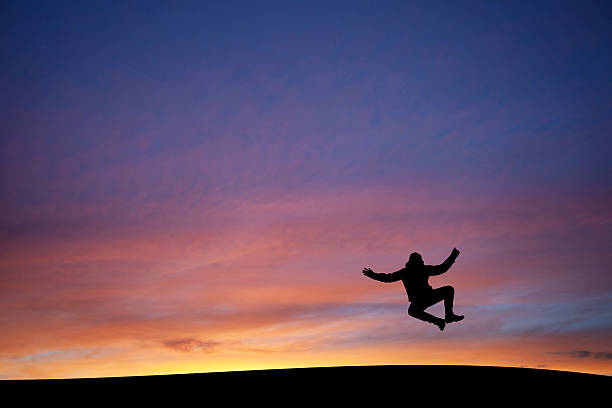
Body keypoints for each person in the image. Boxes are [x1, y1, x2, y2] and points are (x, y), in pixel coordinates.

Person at [362, 248, 464, 331]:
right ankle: (440, 321)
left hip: (425, 298)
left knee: (447, 290)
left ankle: (448, 316)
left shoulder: (416, 270)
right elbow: (388, 278)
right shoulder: (410, 271)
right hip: (422, 299)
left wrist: (452, 257)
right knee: (412, 311)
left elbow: (441, 268)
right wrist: (373, 275)